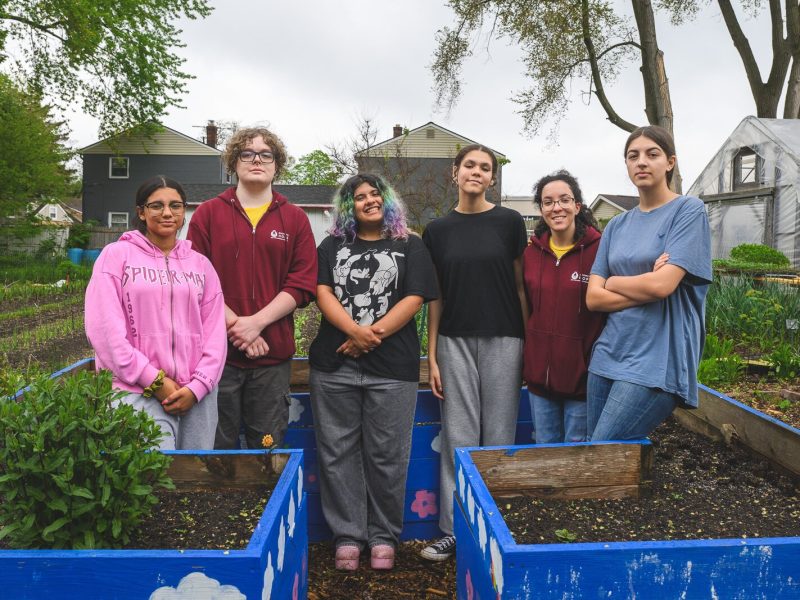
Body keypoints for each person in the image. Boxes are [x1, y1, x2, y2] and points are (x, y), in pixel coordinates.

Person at [308, 174, 438, 571]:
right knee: (337, 454)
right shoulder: (332, 246)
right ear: (349, 207)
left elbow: (415, 297)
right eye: (359, 197)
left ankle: (383, 536)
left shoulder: (410, 245)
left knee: (388, 456)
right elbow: (322, 292)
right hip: (334, 367)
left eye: (374, 194)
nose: (368, 201)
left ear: (386, 200)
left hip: (392, 369)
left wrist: (370, 335)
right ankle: (348, 535)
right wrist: (352, 332)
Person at [420, 144, 528, 561]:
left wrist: (527, 342)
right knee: (458, 438)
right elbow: (436, 298)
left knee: (498, 435)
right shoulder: (437, 231)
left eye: (486, 168)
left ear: (492, 179)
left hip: (505, 338)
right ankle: (453, 529)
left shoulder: (509, 222)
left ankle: (494, 528)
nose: (477, 172)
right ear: (455, 173)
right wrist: (431, 355)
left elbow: (519, 287)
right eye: (470, 165)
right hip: (454, 341)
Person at [187, 127, 317, 450]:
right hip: (217, 357)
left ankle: (266, 501)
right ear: (234, 163)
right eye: (247, 153)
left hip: (272, 358)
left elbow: (302, 284)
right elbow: (196, 278)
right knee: (216, 452)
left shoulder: (295, 219)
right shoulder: (208, 214)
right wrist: (236, 326)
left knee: (267, 452)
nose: (256, 160)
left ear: (276, 165)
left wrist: (256, 324)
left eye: (265, 154)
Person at [586, 125, 712, 441]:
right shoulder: (616, 225)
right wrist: (645, 282)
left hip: (657, 359)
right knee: (602, 464)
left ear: (670, 162)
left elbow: (663, 287)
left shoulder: (687, 210)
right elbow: (593, 298)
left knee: (603, 451)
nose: (641, 162)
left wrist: (613, 281)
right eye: (633, 156)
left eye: (652, 154)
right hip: (608, 354)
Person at [85, 176, 227, 450]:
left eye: (175, 205)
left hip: (196, 397)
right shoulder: (116, 257)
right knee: (151, 481)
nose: (167, 213)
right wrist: (154, 380)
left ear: (183, 212)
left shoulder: (201, 265)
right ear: (141, 212)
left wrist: (198, 387)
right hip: (137, 391)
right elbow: (105, 331)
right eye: (156, 206)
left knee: (194, 483)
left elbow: (215, 335)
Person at [522, 170, 605, 444]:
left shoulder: (599, 250)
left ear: (577, 206)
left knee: (575, 455)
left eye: (564, 200)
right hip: (539, 382)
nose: (556, 207)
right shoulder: (531, 253)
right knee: (544, 451)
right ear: (542, 209)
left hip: (581, 380)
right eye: (548, 202)